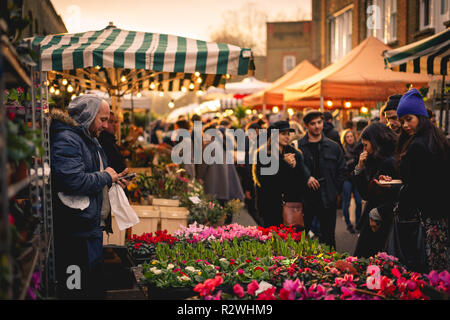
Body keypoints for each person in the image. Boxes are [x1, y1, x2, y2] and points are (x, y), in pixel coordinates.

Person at [50, 95, 130, 299]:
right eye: (102, 119)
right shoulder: (66, 138)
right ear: (87, 116)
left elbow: (93, 171)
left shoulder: (88, 138)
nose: (105, 125)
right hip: (74, 232)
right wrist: (105, 177)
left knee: (90, 287)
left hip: (89, 227)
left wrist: (113, 178)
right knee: (75, 289)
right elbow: (72, 180)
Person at [383, 88, 450, 272]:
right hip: (440, 216)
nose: (405, 125)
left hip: (424, 218)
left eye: (408, 119)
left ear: (420, 117)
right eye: (402, 120)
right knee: (440, 270)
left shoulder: (418, 146)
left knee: (425, 269)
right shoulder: (437, 139)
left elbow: (415, 187)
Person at [297, 110, 347, 249]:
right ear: (306, 126)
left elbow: (342, 170)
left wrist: (335, 190)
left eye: (319, 122)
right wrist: (305, 179)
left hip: (327, 197)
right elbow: (294, 172)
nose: (317, 126)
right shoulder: (298, 147)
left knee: (329, 238)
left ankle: (331, 268)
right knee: (300, 239)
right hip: (305, 198)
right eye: (313, 124)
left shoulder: (333, 146)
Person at [352, 122, 399, 258]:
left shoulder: (388, 162)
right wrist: (360, 168)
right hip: (376, 217)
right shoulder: (377, 160)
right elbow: (366, 193)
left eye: (366, 145)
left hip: (380, 220)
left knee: (371, 260)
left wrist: (377, 212)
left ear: (375, 142)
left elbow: (373, 194)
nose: (364, 149)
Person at [252, 121, 310, 228]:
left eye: (288, 134)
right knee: (273, 239)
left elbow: (299, 181)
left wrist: (295, 166)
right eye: (283, 134)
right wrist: (284, 164)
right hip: (270, 205)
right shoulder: (263, 154)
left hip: (291, 206)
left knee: (291, 241)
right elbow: (266, 182)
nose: (287, 137)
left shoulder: (294, 154)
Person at [340, 129, 362, 234]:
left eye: (351, 136)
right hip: (346, 179)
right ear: (344, 138)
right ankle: (348, 224)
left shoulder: (359, 149)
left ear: (354, 137)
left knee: (358, 202)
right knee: (346, 202)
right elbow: (342, 165)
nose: (349, 138)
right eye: (347, 137)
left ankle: (358, 223)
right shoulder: (342, 150)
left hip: (357, 179)